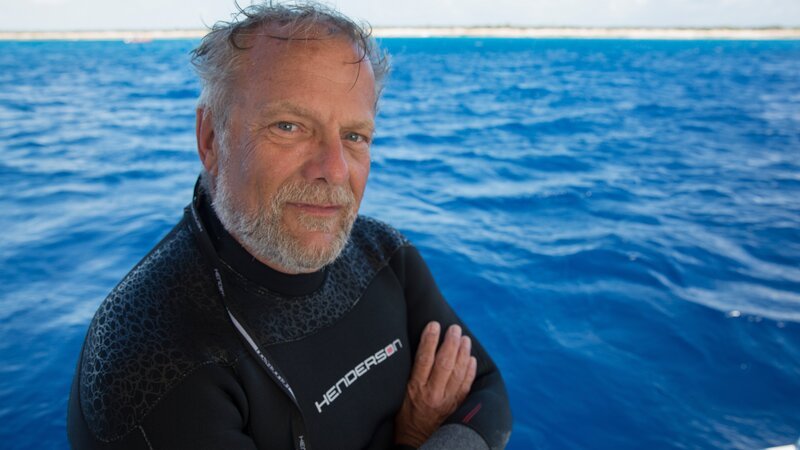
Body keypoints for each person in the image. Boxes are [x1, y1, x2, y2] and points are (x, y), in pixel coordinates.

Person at [67, 2, 512, 449]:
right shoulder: (153, 360)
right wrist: (412, 437)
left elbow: (488, 399)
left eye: (354, 136)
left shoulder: (382, 253)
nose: (334, 170)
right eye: (289, 126)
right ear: (211, 139)